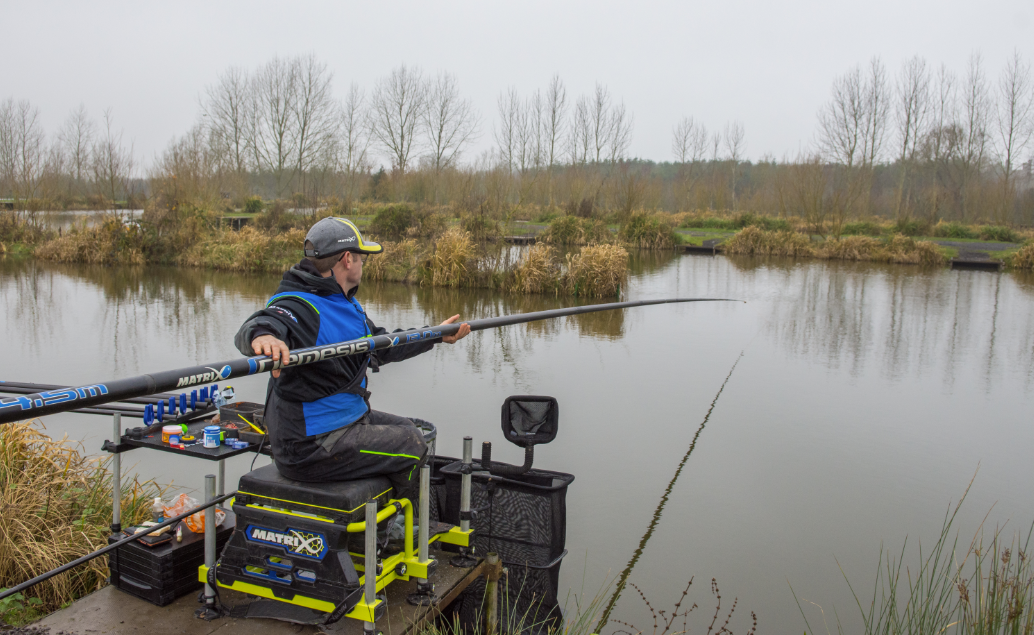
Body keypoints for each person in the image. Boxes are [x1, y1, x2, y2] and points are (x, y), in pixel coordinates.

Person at [234, 217, 470, 501]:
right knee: (412, 444)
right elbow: (268, 321)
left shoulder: (340, 302)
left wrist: (436, 334)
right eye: (361, 258)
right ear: (347, 259)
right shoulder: (300, 304)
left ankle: (384, 508)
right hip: (310, 445)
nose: (363, 265)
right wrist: (263, 337)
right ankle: (395, 519)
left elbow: (381, 346)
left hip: (344, 421)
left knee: (409, 430)